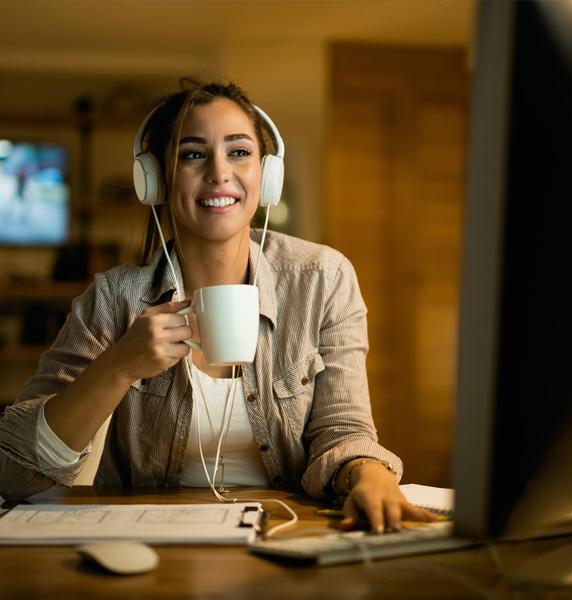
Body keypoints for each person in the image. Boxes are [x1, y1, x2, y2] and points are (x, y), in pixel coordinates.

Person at [0, 78, 434, 533]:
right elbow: (13, 471)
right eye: (192, 154)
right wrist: (118, 367)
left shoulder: (322, 278)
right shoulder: (112, 298)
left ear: (267, 177)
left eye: (239, 151)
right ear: (154, 180)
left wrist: (370, 475)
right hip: (153, 541)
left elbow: (343, 431)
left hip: (287, 532)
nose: (219, 172)